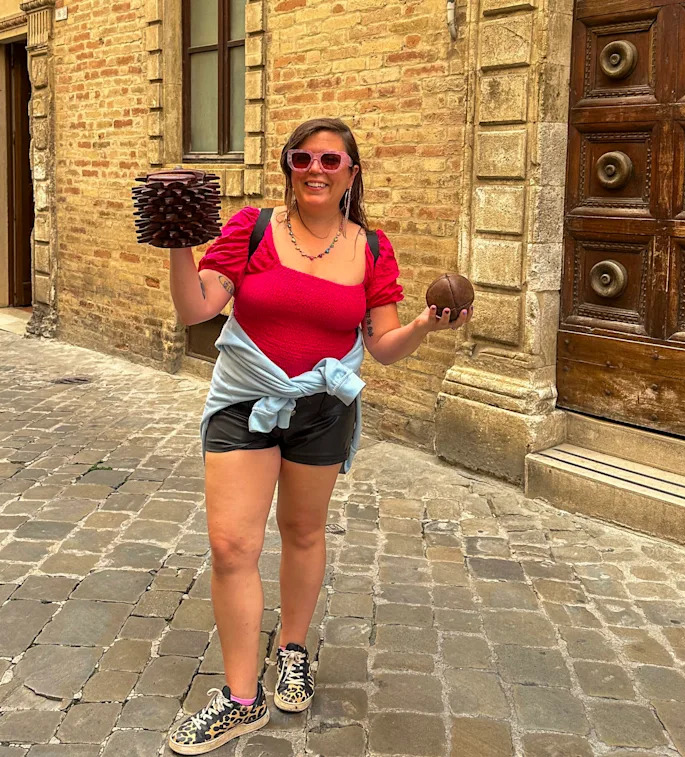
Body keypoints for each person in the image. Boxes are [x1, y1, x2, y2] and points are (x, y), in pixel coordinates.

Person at [165, 117, 470, 754]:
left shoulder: (373, 248)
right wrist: (178, 243)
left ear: (352, 173)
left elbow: (381, 346)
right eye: (302, 158)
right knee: (231, 545)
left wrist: (423, 326)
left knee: (303, 532)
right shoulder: (251, 229)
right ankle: (240, 699)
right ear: (288, 166)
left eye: (331, 160)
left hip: (324, 410)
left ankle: (293, 649)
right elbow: (197, 309)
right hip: (246, 401)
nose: (315, 170)